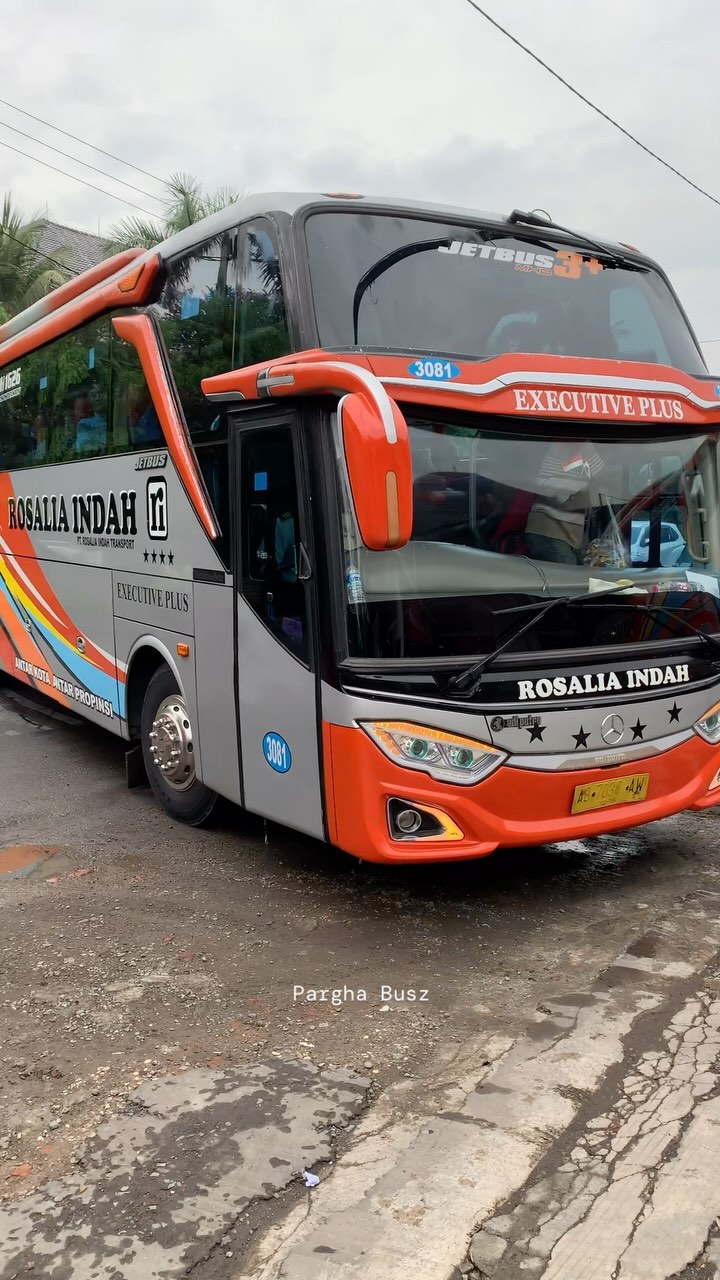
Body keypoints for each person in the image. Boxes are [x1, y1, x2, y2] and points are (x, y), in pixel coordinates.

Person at [526, 443, 605, 564]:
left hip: (565, 535)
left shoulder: (581, 451)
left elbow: (601, 476)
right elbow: (551, 490)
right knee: (567, 574)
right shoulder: (559, 449)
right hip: (551, 532)